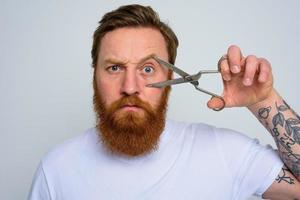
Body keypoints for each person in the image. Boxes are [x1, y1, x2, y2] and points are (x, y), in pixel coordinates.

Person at [28, 4, 300, 200]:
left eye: (147, 69)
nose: (130, 87)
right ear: (94, 75)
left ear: (170, 77)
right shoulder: (56, 170)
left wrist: (264, 101)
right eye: (114, 68)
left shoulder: (225, 153)